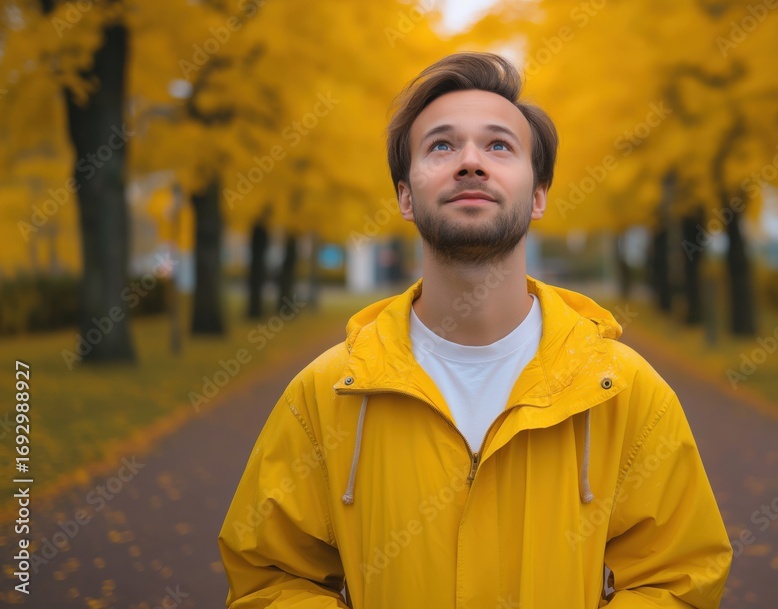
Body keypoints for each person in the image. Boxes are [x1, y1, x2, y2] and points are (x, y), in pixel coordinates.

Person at [218, 52, 733, 608]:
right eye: (441, 145)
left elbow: (678, 580)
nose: (470, 163)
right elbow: (269, 578)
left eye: (498, 146)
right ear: (405, 197)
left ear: (537, 195)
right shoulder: (325, 395)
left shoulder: (624, 392)